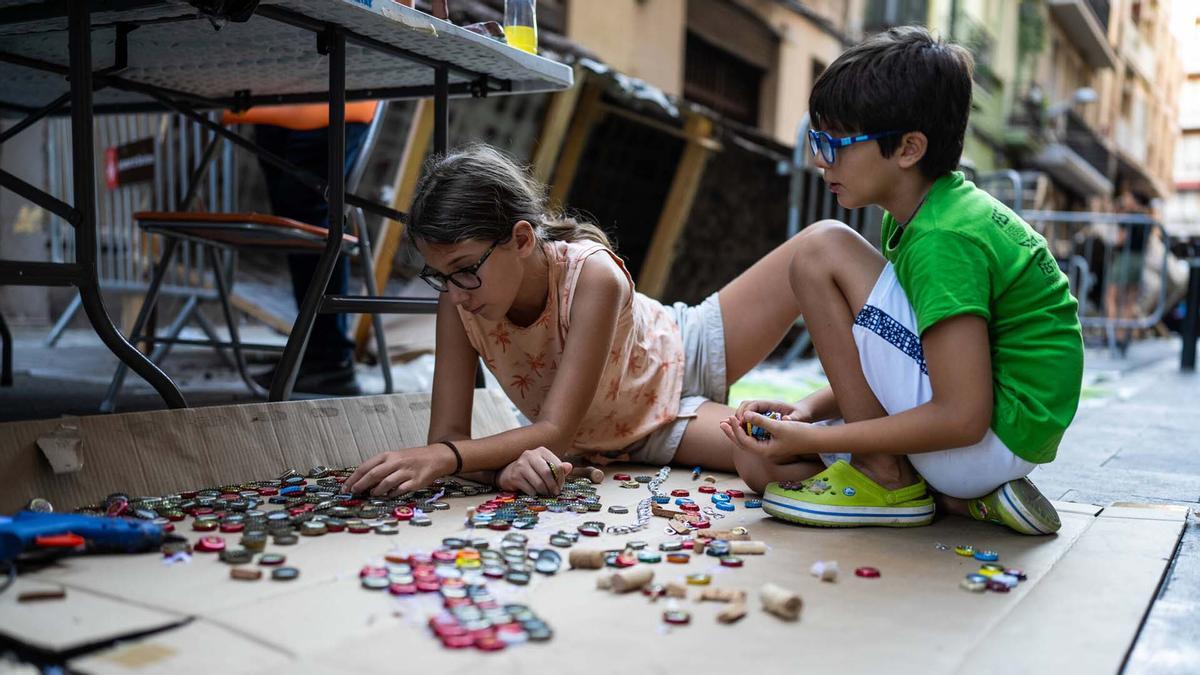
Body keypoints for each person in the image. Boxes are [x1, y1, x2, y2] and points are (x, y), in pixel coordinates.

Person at [718, 26, 1084, 535]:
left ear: (909, 148)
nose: (821, 159)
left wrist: (811, 440)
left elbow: (962, 415)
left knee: (819, 249)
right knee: (760, 467)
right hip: (992, 444)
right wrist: (805, 411)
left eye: (835, 143)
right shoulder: (925, 214)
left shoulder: (944, 237)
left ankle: (886, 477)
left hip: (983, 436)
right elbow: (905, 352)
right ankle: (963, 501)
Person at [343, 142, 837, 498]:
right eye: (440, 276)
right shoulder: (458, 302)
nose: (454, 291)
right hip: (647, 431)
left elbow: (547, 432)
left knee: (820, 243)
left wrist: (449, 459)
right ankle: (862, 444)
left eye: (465, 269)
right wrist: (503, 474)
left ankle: (891, 416)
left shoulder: (592, 275)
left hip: (683, 348)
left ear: (520, 238)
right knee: (775, 463)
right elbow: (448, 435)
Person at [223, 102, 379, 396]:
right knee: (296, 218)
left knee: (310, 215)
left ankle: (328, 357)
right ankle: (319, 353)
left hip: (337, 92)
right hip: (278, 94)